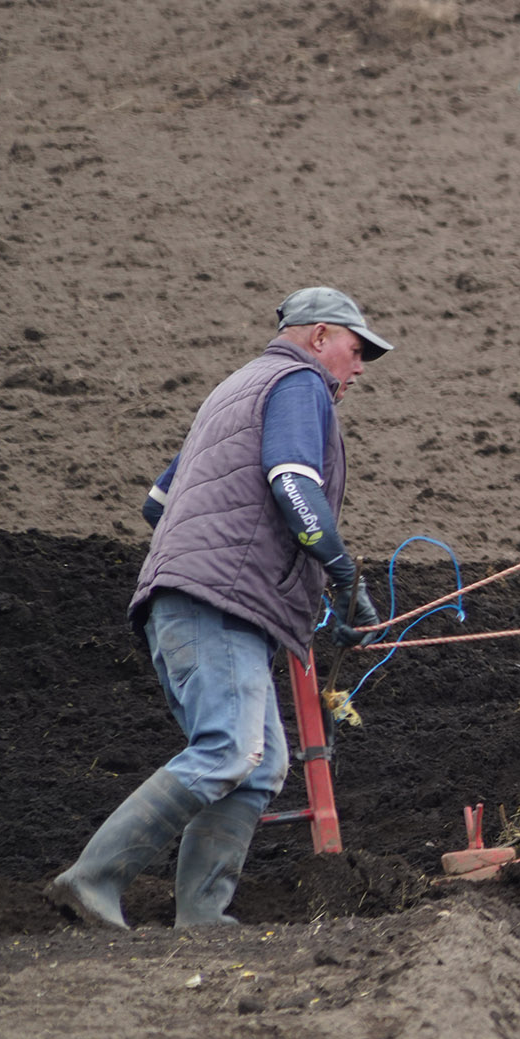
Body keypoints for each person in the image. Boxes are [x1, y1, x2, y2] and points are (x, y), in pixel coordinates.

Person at [45, 288, 394, 931]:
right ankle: (91, 879)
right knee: (231, 749)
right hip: (213, 605)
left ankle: (201, 919)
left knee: (258, 764)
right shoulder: (298, 381)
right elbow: (291, 481)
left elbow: (159, 502)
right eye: (356, 346)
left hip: (196, 598)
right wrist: (341, 569)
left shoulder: (236, 390)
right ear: (319, 337)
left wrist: (305, 588)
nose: (362, 364)